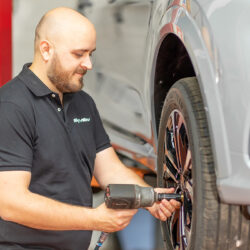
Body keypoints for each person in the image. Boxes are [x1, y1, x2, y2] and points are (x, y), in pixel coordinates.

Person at [0, 7, 180, 250]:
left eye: (91, 53)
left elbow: (110, 171)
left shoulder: (83, 103)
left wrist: (152, 198)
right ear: (46, 50)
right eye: (78, 54)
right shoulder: (12, 106)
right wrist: (95, 218)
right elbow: (10, 203)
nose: (89, 64)